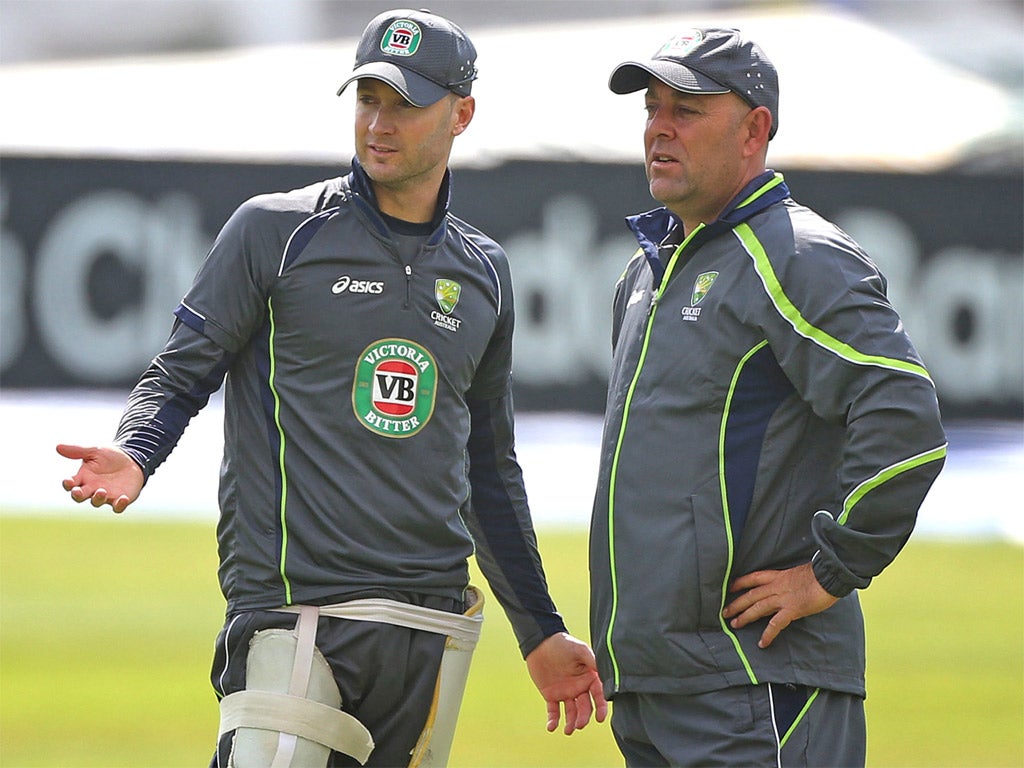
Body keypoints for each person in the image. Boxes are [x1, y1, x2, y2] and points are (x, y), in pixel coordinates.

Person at [57, 8, 606, 767]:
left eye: (406, 104)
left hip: (430, 627)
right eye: (368, 100)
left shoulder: (485, 273)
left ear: (462, 114)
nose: (380, 124)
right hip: (296, 613)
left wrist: (539, 629)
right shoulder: (274, 232)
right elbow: (182, 371)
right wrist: (136, 451)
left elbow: (487, 467)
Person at [589, 27, 946, 766]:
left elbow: (904, 417)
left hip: (755, 688)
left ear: (755, 129)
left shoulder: (797, 256)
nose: (658, 127)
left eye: (686, 109)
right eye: (651, 108)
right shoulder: (646, 273)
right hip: (658, 690)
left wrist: (830, 571)